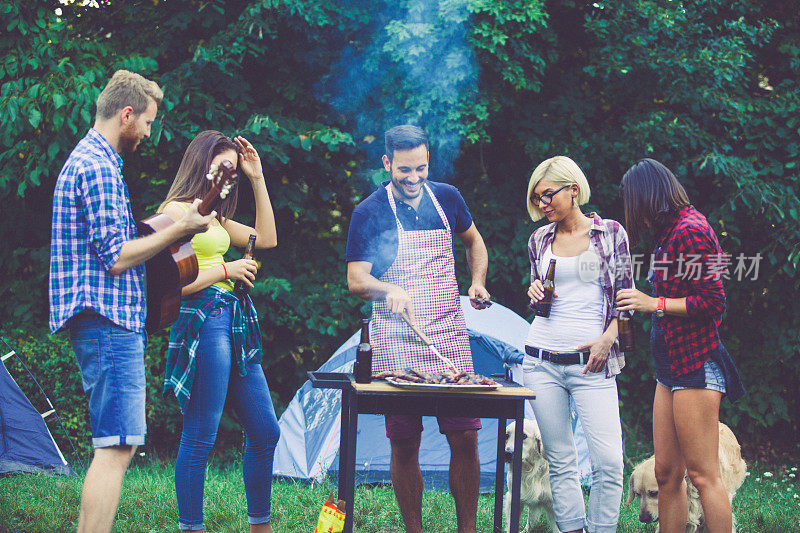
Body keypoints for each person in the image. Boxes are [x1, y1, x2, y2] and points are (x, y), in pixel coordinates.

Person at [49, 70, 215, 533]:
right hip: (107, 323)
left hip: (105, 322)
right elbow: (118, 257)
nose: (147, 133)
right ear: (126, 114)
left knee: (112, 445)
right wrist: (181, 230)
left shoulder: (93, 161)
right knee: (116, 447)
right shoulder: (98, 167)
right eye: (146, 122)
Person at [346, 124, 490, 533]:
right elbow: (357, 280)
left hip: (446, 331)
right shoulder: (369, 212)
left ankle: (468, 531)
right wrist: (386, 288)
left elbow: (474, 242)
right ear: (387, 163)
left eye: (421, 169)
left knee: (465, 438)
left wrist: (476, 282)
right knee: (404, 442)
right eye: (405, 170)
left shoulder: (447, 198)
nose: (413, 179)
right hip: (396, 340)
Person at [160, 130, 279, 533]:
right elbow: (167, 285)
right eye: (223, 167)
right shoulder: (175, 212)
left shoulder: (216, 218)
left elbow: (267, 238)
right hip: (202, 322)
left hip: (234, 322)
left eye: (233, 169)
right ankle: (190, 527)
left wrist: (257, 177)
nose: (229, 175)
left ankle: (259, 527)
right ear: (202, 164)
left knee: (266, 431)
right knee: (201, 435)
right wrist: (226, 270)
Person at [616, 158, 744, 533]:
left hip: (697, 365)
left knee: (703, 476)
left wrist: (651, 303)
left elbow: (713, 301)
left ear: (647, 195)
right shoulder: (668, 231)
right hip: (669, 368)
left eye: (632, 200)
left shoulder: (691, 229)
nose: (631, 210)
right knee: (666, 472)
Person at [523, 156, 632, 533]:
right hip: (541, 361)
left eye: (548, 194)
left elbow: (625, 296)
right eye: (538, 198)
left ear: (573, 189)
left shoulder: (611, 234)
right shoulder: (540, 239)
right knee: (560, 458)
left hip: (593, 362)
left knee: (609, 462)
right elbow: (545, 303)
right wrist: (535, 293)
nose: (543, 204)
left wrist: (608, 338)